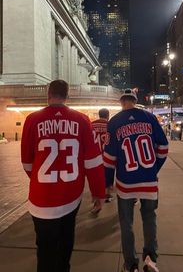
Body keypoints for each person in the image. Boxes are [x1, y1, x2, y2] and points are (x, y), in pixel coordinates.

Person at [21, 80, 105, 272]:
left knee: (44, 250)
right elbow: (93, 162)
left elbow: (27, 163)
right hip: (70, 196)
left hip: (40, 199)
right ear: (67, 96)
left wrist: (40, 181)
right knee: (66, 243)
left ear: (48, 94)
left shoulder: (32, 120)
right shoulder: (82, 120)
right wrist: (98, 193)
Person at [104, 89, 168, 272]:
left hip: (126, 183)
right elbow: (163, 147)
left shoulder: (114, 122)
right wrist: (153, 169)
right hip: (148, 181)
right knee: (149, 218)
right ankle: (150, 260)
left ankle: (131, 264)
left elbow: (109, 159)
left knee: (126, 223)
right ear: (135, 101)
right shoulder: (149, 118)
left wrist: (107, 182)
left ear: (121, 102)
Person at [92, 108, 113, 204]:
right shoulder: (110, 125)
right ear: (108, 115)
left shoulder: (92, 124)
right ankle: (108, 194)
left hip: (95, 156)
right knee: (108, 174)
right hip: (107, 155)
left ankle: (96, 197)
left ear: (99, 115)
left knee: (96, 177)